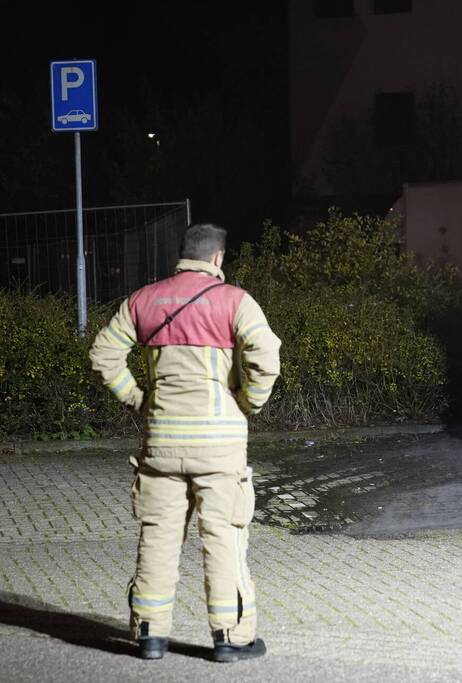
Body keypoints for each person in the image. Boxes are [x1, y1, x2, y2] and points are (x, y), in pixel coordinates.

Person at [89, 222, 281, 662]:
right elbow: (265, 360)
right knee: (223, 538)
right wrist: (247, 403)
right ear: (217, 258)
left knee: (157, 536)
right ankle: (230, 639)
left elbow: (103, 353)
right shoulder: (235, 301)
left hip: (162, 444)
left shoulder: (144, 299)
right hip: (219, 447)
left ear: (182, 254)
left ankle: (151, 635)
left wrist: (138, 397)